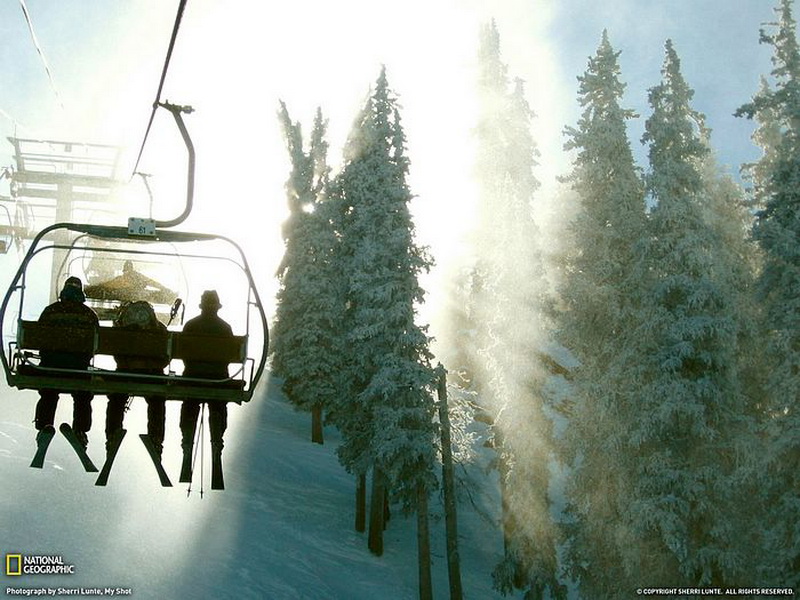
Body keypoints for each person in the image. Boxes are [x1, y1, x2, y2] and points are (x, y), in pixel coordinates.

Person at [34, 276, 99, 449]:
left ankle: (44, 426)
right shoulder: (89, 314)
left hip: (51, 367)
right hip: (78, 369)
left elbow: (38, 338)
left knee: (49, 392)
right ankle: (81, 429)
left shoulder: (50, 311)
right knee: (83, 394)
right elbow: (97, 345)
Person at [179, 290, 234, 487]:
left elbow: (183, 353)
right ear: (217, 306)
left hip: (193, 378)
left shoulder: (191, 325)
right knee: (218, 405)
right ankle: (217, 442)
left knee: (190, 402)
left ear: (202, 305)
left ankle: (187, 441)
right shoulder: (226, 328)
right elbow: (228, 358)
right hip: (217, 379)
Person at [105, 301, 169, 457]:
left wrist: (127, 366)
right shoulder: (159, 329)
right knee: (156, 401)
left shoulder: (122, 329)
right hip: (153, 376)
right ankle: (156, 438)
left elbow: (117, 354)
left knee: (117, 399)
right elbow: (166, 358)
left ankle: (112, 435)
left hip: (125, 375)